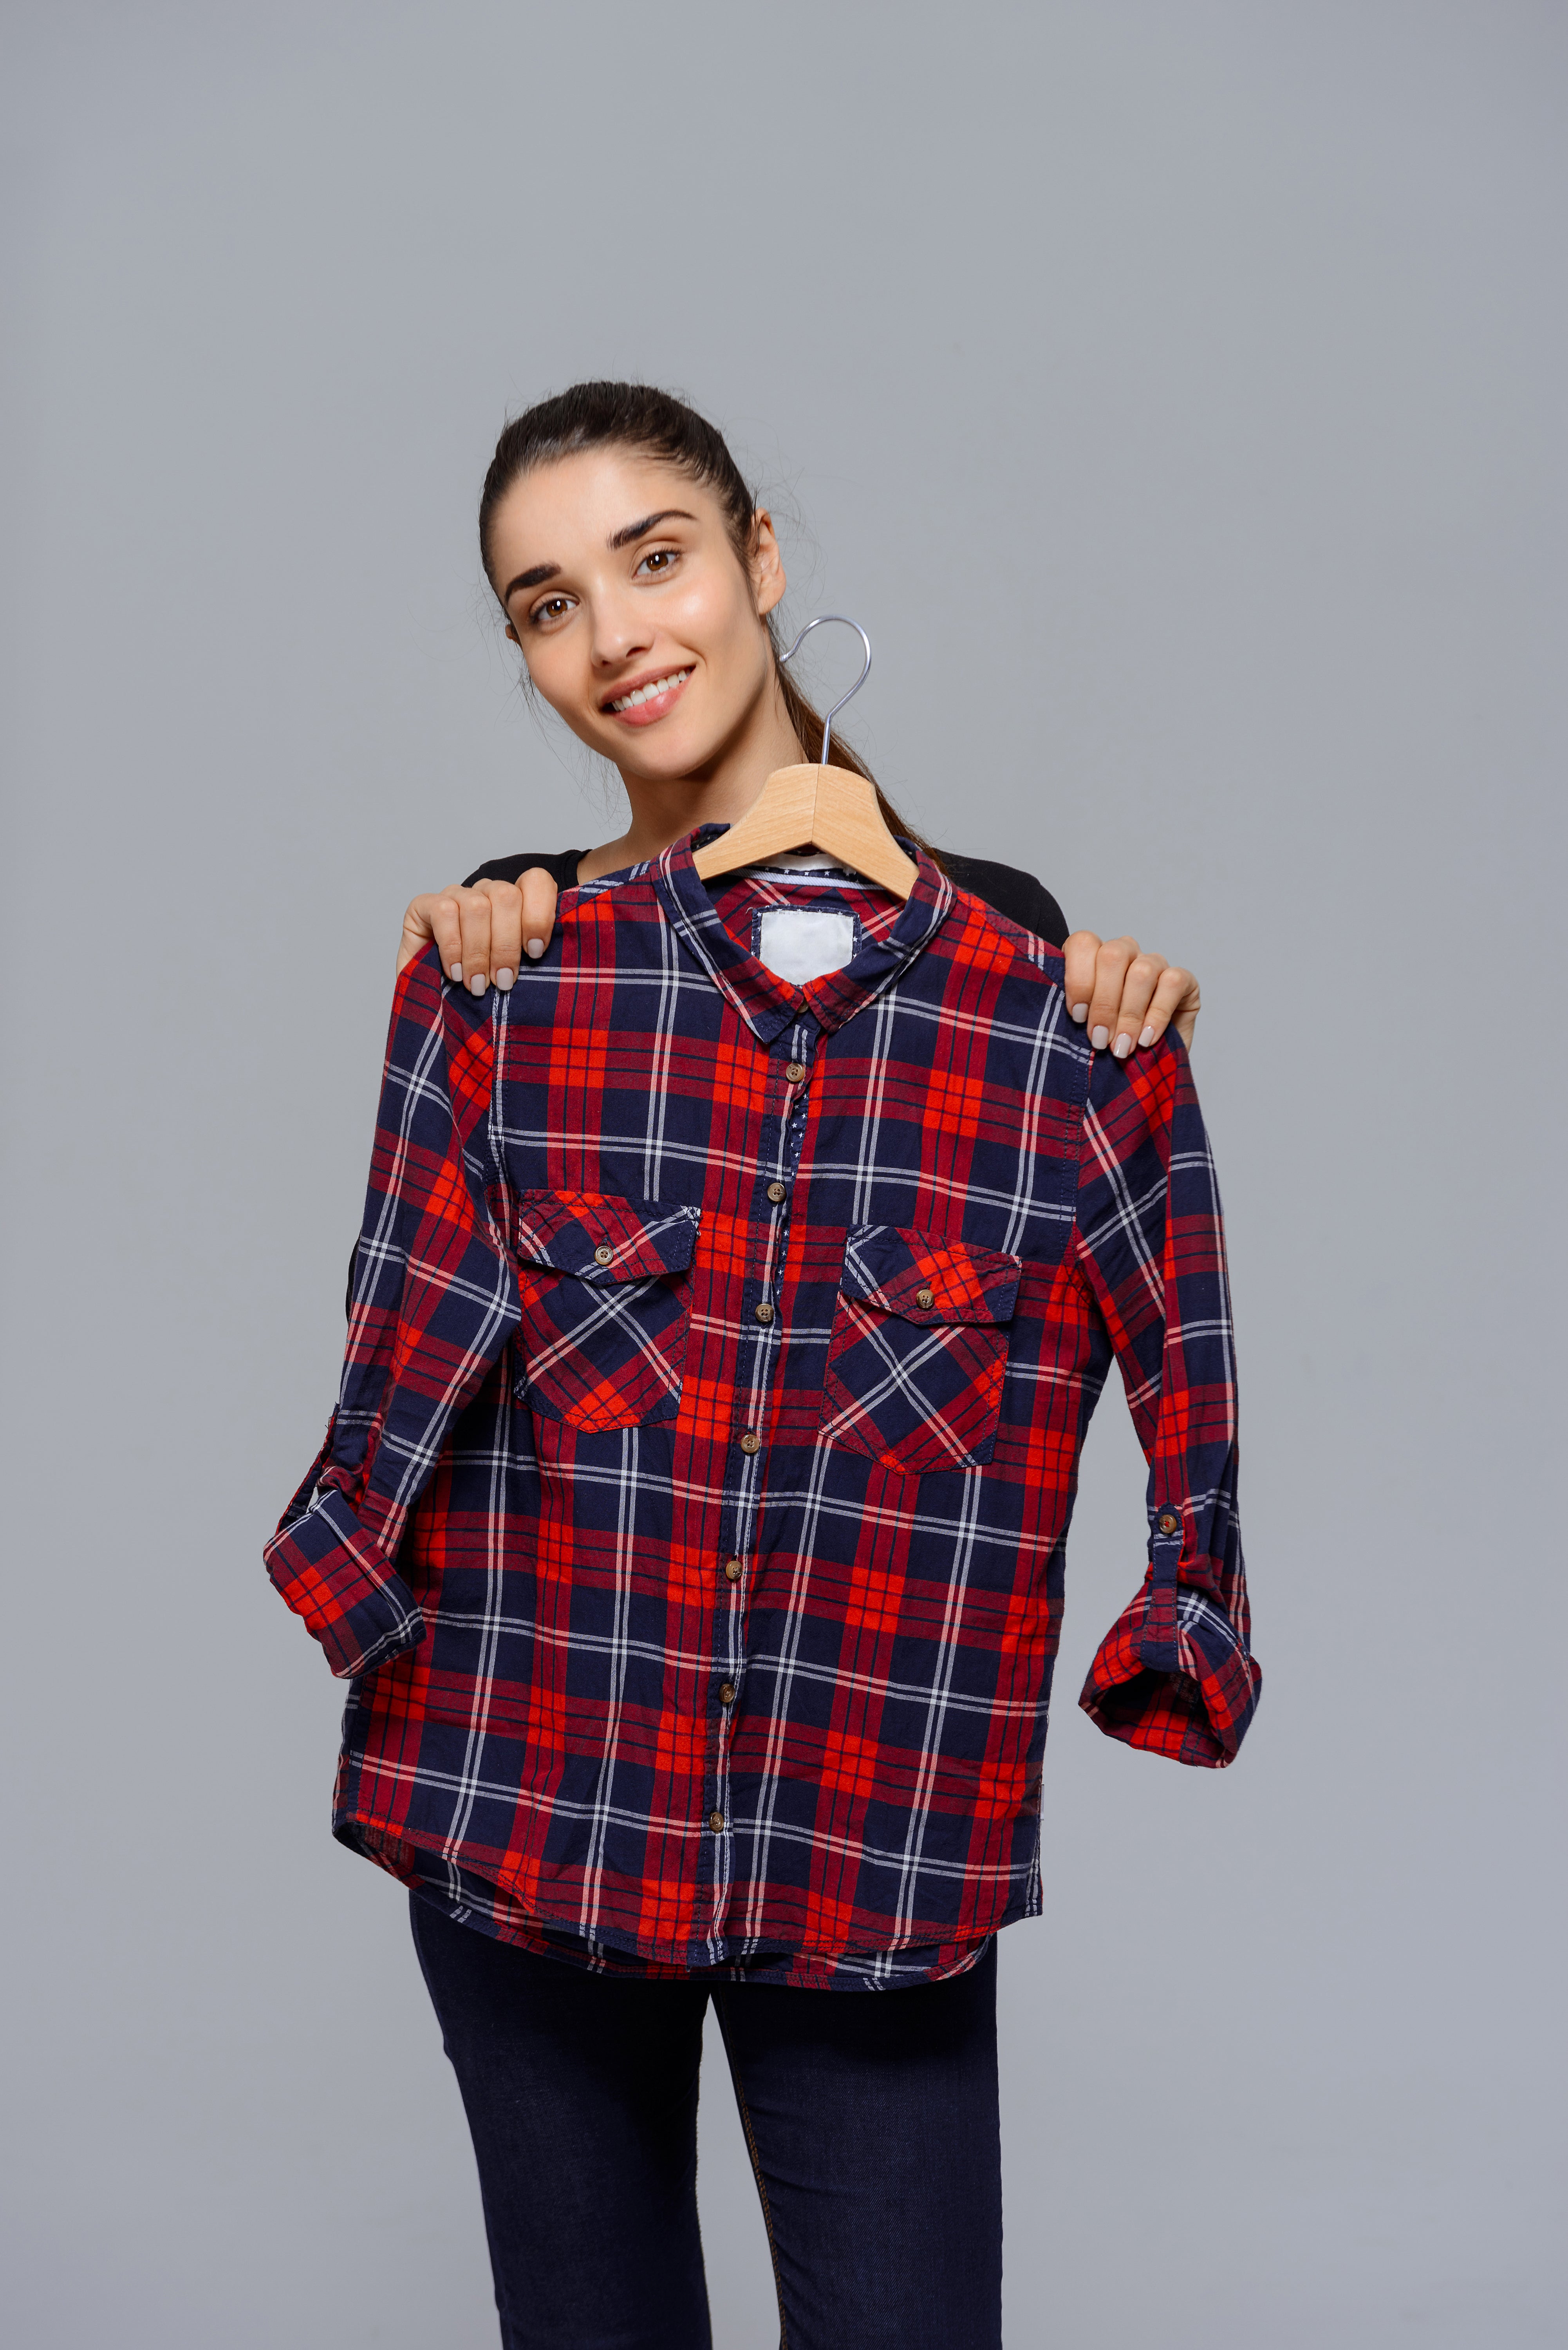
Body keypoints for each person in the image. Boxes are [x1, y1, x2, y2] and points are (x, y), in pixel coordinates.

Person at [267, 382, 1257, 2350]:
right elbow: (412, 1321)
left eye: (654, 560)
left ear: (758, 558)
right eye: (548, 603)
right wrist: (349, 1543)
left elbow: (1169, 1331)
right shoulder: (509, 965)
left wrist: (1188, 1607)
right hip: (533, 1798)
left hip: (868, 1834)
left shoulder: (1031, 991)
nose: (615, 634)